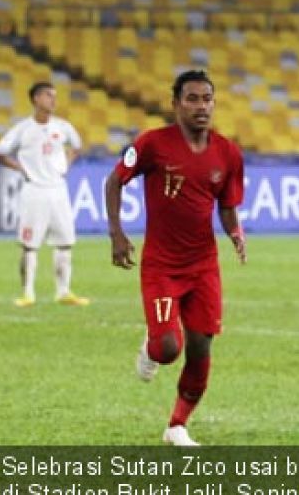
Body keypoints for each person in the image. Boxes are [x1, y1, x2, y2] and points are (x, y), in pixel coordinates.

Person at [105, 70, 246, 447]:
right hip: (163, 266)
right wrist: (117, 233)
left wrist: (235, 233)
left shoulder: (227, 152)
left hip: (203, 265)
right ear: (176, 104)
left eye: (207, 99)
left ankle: (177, 426)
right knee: (169, 348)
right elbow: (115, 180)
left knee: (201, 348)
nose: (201, 106)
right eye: (193, 99)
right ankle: (151, 346)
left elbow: (227, 205)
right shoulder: (153, 144)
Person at [0, 81, 88, 307]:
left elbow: (77, 145)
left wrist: (66, 165)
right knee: (29, 244)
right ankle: (27, 293)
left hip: (58, 190)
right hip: (33, 191)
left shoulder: (62, 126)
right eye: (48, 95)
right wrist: (21, 169)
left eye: (54, 96)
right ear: (35, 99)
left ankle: (63, 292)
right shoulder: (23, 129)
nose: (53, 100)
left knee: (65, 243)